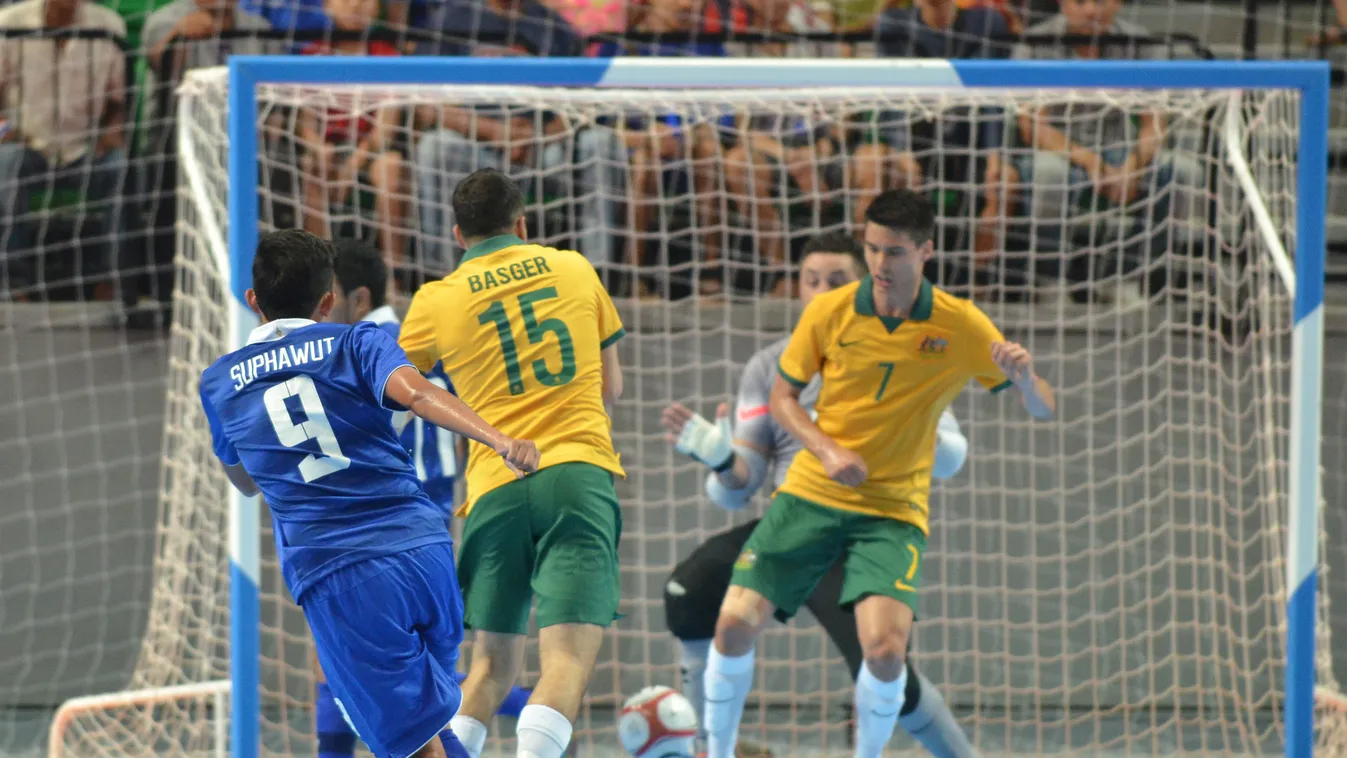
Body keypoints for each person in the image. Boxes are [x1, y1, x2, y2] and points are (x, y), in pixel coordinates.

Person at [700, 190, 1055, 758]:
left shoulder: (959, 324)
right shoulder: (830, 311)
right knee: (732, 626)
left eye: (894, 252)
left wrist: (1024, 379)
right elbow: (783, 398)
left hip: (890, 511)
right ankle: (715, 751)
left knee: (886, 653)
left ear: (925, 251)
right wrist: (825, 449)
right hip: (810, 496)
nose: (880, 265)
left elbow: (1043, 408)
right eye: (871, 250)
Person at [200, 229, 540, 758]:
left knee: (410, 744)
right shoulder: (357, 339)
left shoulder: (220, 383)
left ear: (252, 301)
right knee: (431, 732)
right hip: (426, 552)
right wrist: (498, 439)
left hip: (342, 574)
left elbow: (244, 483)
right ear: (328, 300)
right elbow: (419, 393)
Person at [661, 231, 979, 758]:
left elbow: (949, 456)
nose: (821, 291)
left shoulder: (904, 352)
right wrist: (719, 460)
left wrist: (925, 437)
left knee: (885, 665)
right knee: (690, 592)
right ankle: (707, 748)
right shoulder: (770, 366)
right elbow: (738, 490)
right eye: (811, 281)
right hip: (790, 520)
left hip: (865, 526)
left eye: (836, 281)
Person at [398, 169, 627, 758]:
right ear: (523, 224)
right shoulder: (575, 268)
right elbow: (613, 387)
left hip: (494, 488)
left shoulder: (436, 299)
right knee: (566, 662)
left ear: (457, 234)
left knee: (488, 670)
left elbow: (398, 385)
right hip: (576, 472)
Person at [312, 237, 532, 758]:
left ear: (358, 299)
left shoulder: (353, 350)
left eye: (328, 299)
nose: (320, 315)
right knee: (427, 696)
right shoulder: (418, 342)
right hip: (432, 531)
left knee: (351, 673)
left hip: (374, 536)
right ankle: (539, 717)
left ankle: (536, 718)